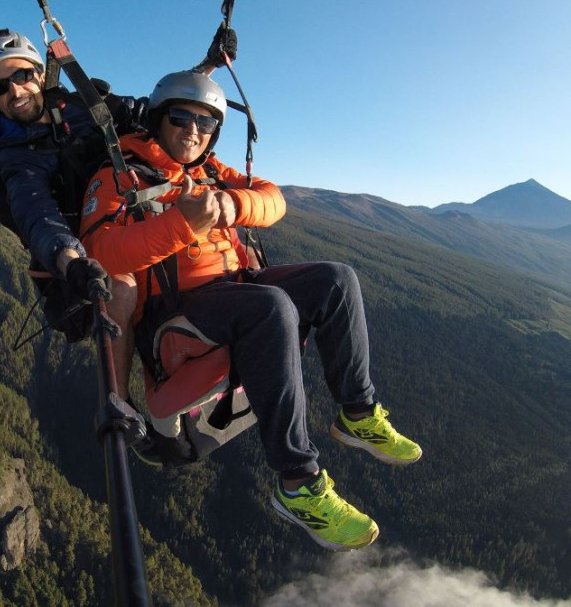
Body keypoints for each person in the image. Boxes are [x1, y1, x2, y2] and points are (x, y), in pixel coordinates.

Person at [79, 69, 422, 551]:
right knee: (272, 306)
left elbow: (273, 200)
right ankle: (298, 482)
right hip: (178, 318)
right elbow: (102, 253)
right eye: (181, 118)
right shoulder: (119, 177)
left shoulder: (212, 172)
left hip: (238, 292)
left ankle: (357, 412)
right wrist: (182, 223)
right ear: (159, 120)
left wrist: (230, 204)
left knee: (337, 280)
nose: (193, 131)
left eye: (206, 123)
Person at [0, 28, 144, 391]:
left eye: (21, 76)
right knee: (124, 293)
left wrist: (206, 69)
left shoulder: (85, 106)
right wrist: (72, 262)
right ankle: (123, 404)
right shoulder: (14, 153)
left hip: (129, 223)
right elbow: (36, 214)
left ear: (39, 74)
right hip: (86, 250)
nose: (14, 91)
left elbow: (159, 114)